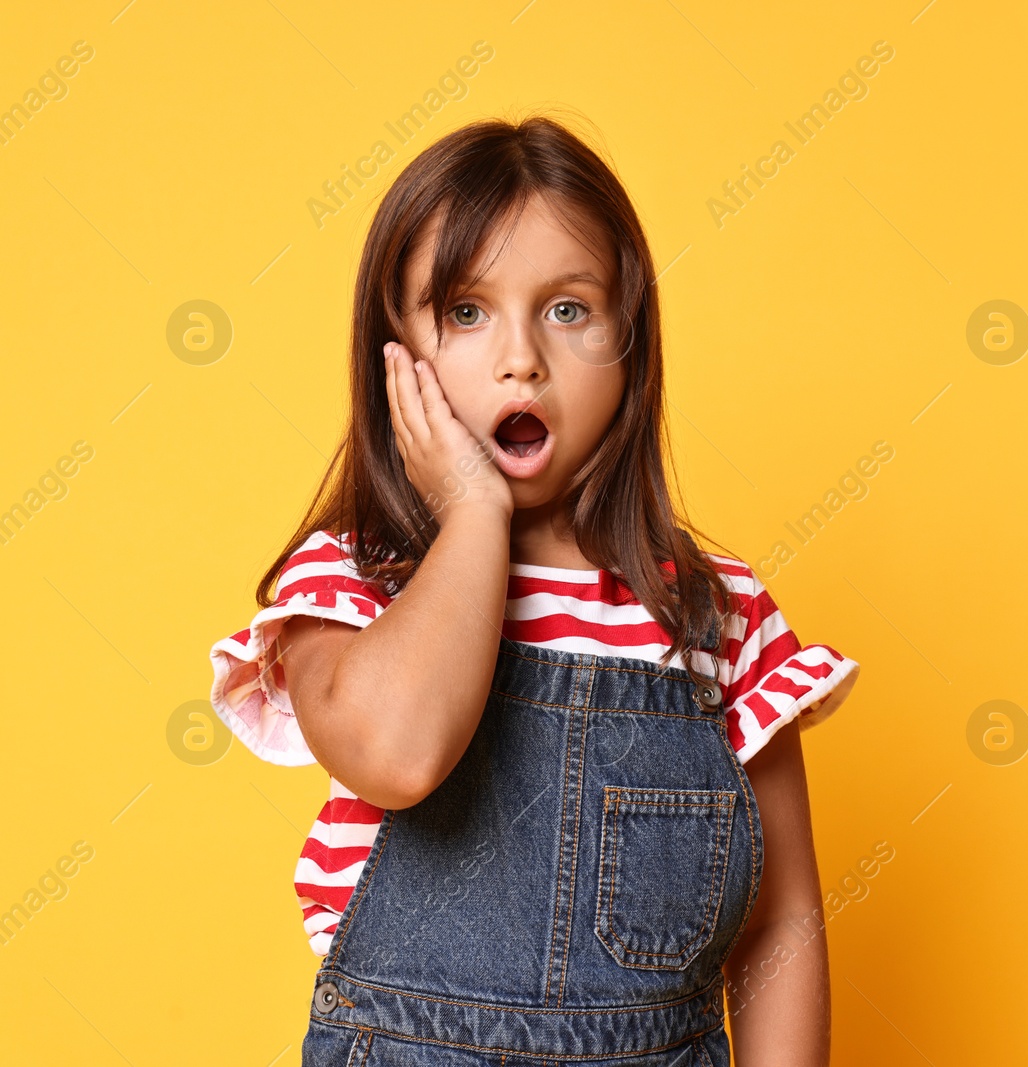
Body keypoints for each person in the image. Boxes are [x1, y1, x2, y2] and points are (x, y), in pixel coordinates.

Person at [207, 114, 858, 1066]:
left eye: (568, 310)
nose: (523, 358)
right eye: (466, 312)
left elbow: (782, 921)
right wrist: (473, 515)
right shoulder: (349, 583)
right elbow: (396, 755)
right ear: (396, 354)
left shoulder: (717, 619)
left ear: (630, 349)